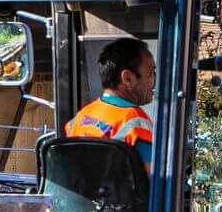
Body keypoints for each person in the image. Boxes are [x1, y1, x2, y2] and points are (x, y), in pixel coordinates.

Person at [65, 37, 156, 166]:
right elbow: (154, 181)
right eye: (151, 73)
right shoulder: (137, 123)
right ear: (128, 78)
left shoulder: (78, 119)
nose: (153, 82)